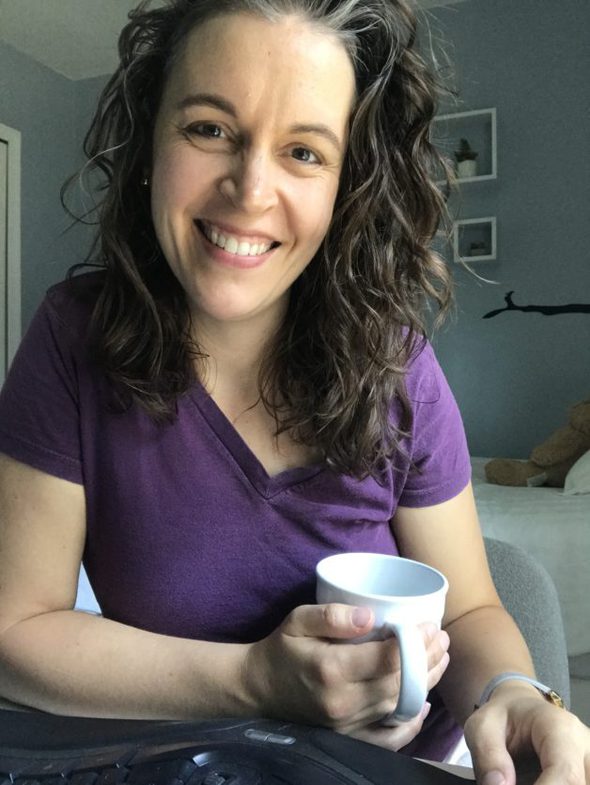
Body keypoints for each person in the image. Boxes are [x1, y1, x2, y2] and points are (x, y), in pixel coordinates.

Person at [0, 0, 588, 782]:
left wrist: (515, 691)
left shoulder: (398, 366)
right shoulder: (72, 341)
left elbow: (473, 608)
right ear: (149, 141)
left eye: (305, 152)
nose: (250, 191)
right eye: (209, 129)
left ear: (347, 185)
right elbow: (15, 629)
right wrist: (255, 680)